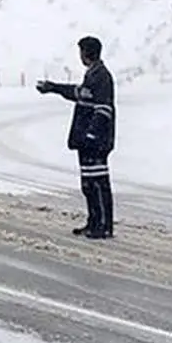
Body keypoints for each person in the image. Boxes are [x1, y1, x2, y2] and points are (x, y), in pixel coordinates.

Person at [35, 36, 115, 239]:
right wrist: (53, 87)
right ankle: (93, 221)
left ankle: (104, 225)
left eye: (81, 51)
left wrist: (92, 133)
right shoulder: (92, 75)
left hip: (96, 142)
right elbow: (78, 93)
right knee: (88, 185)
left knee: (98, 183)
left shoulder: (102, 77)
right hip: (86, 141)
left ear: (87, 53)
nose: (80, 55)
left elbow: (103, 109)